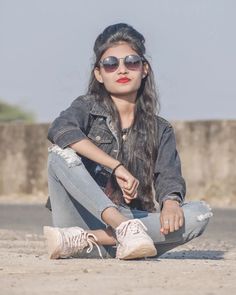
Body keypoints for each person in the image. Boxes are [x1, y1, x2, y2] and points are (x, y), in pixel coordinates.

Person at [43, 23, 213, 260]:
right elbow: (60, 130)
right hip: (80, 213)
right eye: (111, 64)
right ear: (99, 74)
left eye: (131, 62)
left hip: (129, 217)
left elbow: (169, 176)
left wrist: (171, 203)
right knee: (58, 154)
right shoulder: (86, 108)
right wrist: (115, 165)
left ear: (144, 69)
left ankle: (87, 241)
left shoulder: (160, 129)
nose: (122, 70)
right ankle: (122, 232)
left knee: (200, 214)